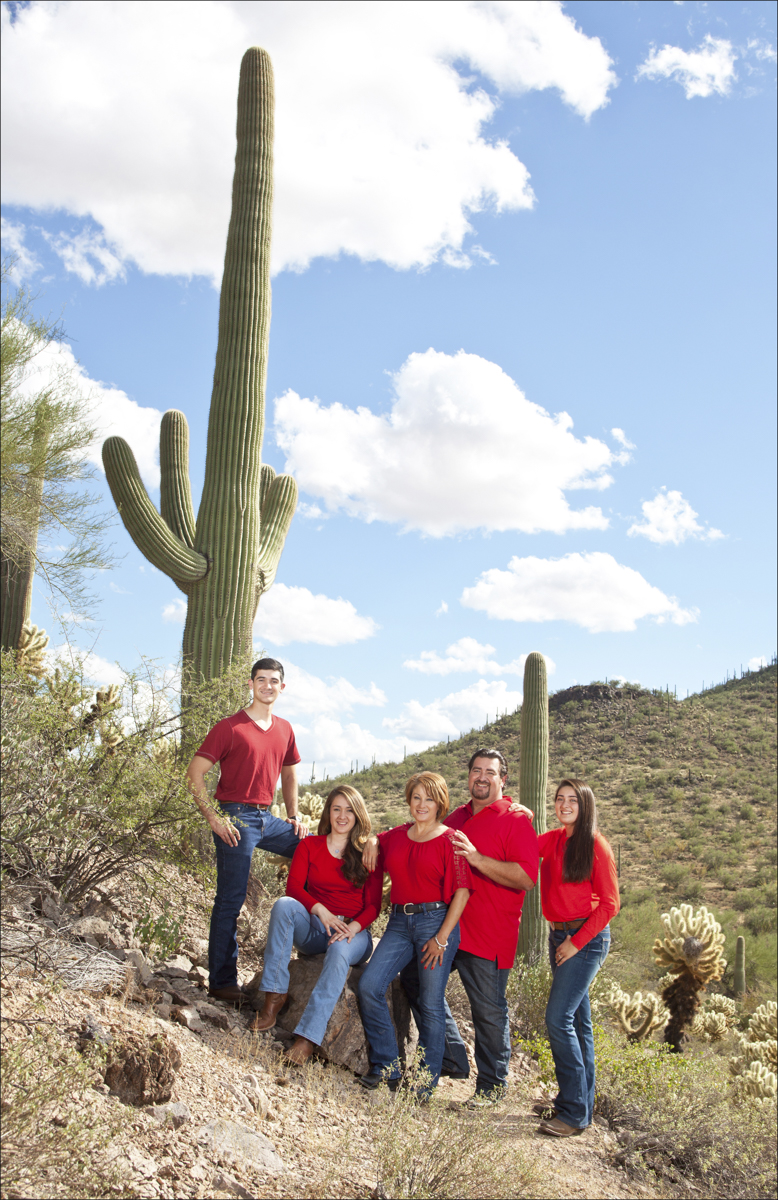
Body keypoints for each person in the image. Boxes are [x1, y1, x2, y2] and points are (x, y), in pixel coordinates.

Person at [396, 748, 539, 1106]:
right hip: (445, 929)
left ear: (502, 779)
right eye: (477, 770)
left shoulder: (516, 819)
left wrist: (476, 859)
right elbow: (417, 828)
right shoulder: (455, 816)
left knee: (488, 1011)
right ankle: (453, 1054)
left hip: (489, 932)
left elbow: (525, 877)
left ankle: (491, 1088)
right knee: (413, 980)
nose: (482, 777)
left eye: (490, 772)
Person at [186, 658, 306, 1006]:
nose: (268, 686)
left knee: (312, 848)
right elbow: (195, 773)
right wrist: (213, 817)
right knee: (231, 899)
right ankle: (223, 982)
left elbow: (289, 774)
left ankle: (315, 927)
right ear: (250, 684)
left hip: (267, 818)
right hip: (235, 819)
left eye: (274, 681)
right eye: (261, 680)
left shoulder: (285, 729)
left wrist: (294, 815)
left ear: (282, 688)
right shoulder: (230, 727)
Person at [357, 772, 472, 1098]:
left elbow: (462, 893)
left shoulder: (451, 839)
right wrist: (373, 840)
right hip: (398, 923)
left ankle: (424, 1083)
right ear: (409, 799)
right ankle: (387, 1066)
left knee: (430, 1003)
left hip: (435, 924)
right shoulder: (396, 835)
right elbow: (376, 838)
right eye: (417, 797)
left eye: (429, 799)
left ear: (440, 803)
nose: (422, 805)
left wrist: (442, 937)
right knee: (370, 985)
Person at [250, 786, 382, 1065]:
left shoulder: (366, 854)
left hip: (353, 932)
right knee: (284, 905)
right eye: (336, 809)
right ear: (328, 812)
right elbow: (294, 887)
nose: (342, 816)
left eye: (349, 810)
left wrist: (353, 928)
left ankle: (307, 1038)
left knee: (338, 951)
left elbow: (373, 907)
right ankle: (274, 997)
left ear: (358, 815)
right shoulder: (310, 845)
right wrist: (320, 910)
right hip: (315, 926)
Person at [535, 778, 619, 1137]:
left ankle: (571, 1112)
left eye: (573, 800)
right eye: (559, 799)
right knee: (579, 1024)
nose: (564, 804)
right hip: (559, 935)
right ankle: (579, 1107)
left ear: (585, 806)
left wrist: (576, 943)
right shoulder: (553, 839)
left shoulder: (596, 845)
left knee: (558, 1018)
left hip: (586, 938)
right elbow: (519, 847)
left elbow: (611, 904)